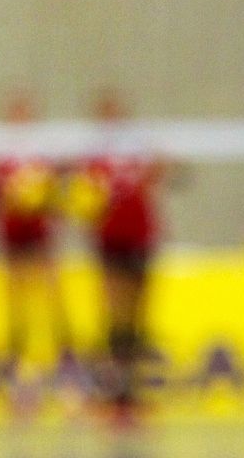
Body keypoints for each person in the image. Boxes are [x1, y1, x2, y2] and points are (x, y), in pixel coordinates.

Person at [75, 87, 169, 420]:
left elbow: (164, 172)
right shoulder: (92, 155)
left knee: (137, 315)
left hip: (140, 237)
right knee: (114, 314)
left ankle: (132, 391)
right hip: (109, 240)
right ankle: (112, 391)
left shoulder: (139, 149)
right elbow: (81, 197)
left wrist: (158, 165)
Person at [0, 87, 69, 381]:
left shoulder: (46, 151)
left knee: (51, 293)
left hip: (40, 233)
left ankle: (63, 357)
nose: (20, 118)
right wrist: (10, 199)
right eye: (15, 113)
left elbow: (62, 190)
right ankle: (15, 358)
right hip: (10, 233)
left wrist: (42, 199)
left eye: (25, 113)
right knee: (14, 297)